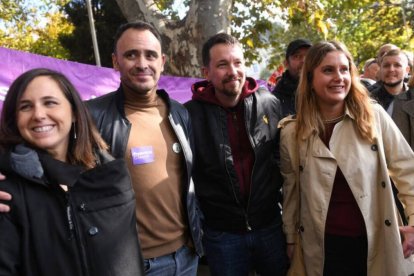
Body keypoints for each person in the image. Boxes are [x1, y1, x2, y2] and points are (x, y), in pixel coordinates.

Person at [0, 21, 203, 276]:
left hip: (186, 258)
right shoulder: (91, 117)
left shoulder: (180, 113)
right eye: (131, 55)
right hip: (133, 263)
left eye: (150, 55)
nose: (142, 63)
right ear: (115, 62)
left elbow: (190, 180)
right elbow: (44, 163)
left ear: (162, 61)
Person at [279, 41, 414, 276]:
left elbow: (407, 170)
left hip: (375, 241)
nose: (339, 77)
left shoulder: (373, 116)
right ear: (310, 79)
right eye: (328, 70)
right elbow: (292, 191)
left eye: (344, 69)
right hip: (321, 247)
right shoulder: (293, 132)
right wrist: (291, 238)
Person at [0, 68, 144, 275]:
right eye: (25, 106)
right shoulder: (7, 189)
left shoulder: (111, 176)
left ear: (75, 112)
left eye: (50, 102)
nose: (39, 115)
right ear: (15, 119)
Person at [185, 33, 288, 276]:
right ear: (206, 72)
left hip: (270, 226)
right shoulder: (189, 115)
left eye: (238, 63)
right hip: (222, 235)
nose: (233, 71)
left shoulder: (268, 103)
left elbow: (282, 160)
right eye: (222, 65)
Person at [370, 48, 413, 150]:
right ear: (380, 69)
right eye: (386, 65)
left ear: (407, 70)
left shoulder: (412, 98)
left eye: (397, 65)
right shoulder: (367, 100)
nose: (391, 69)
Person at [272, 38, 312, 117]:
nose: (303, 60)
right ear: (286, 63)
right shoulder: (275, 99)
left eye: (308, 56)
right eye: (297, 56)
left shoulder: (323, 89)